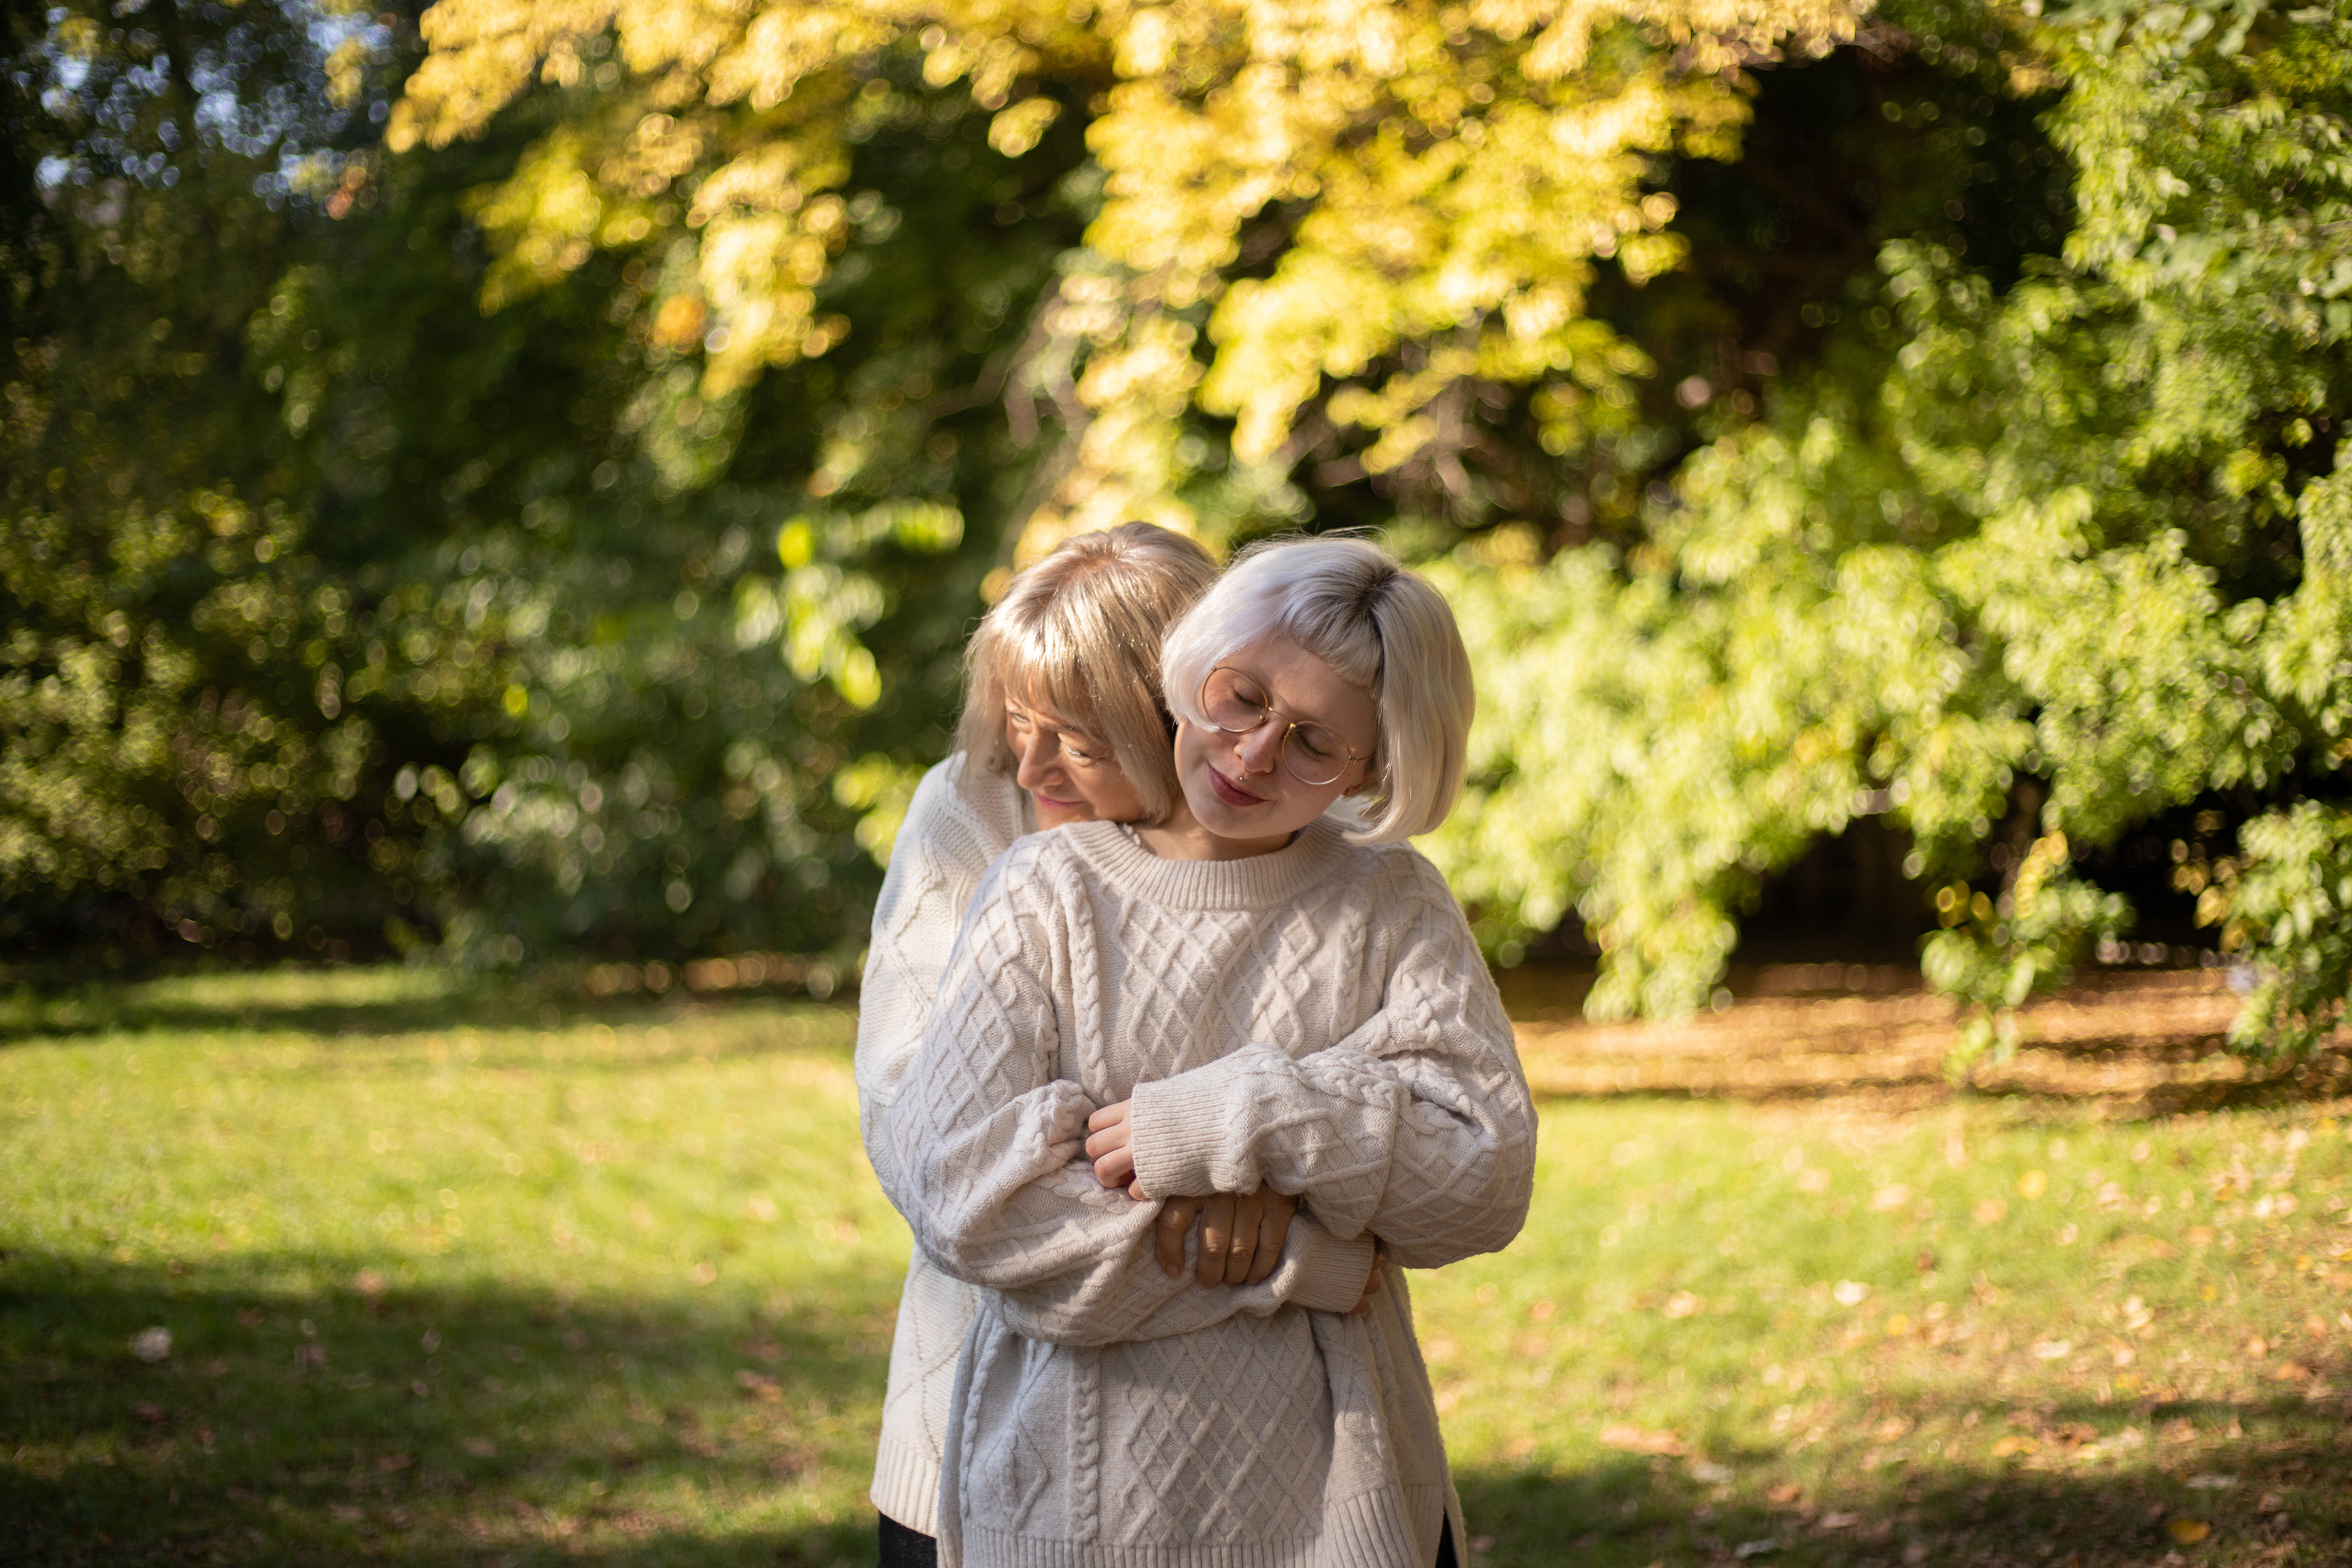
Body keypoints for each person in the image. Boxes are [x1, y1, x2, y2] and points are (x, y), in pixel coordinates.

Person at [889, 535, 1538, 1568]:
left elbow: (1483, 1181)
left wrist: (1246, 1114)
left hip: (1343, 1516)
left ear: (1375, 766)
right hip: (1070, 1510)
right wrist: (1303, 1259)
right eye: (1242, 697)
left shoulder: (1394, 901)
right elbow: (967, 1201)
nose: (1254, 754)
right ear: (1193, 665)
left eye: (1315, 742)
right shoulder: (1043, 889)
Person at [856, 522, 1313, 1568]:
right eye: (1018, 722)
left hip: (1255, 1460)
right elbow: (922, 1141)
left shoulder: (1288, 841)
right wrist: (1281, 1244)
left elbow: (1354, 1107)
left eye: (1076, 737)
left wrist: (1251, 1151)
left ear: (1177, 712)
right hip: (980, 1435)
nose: (1030, 764)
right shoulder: (970, 810)